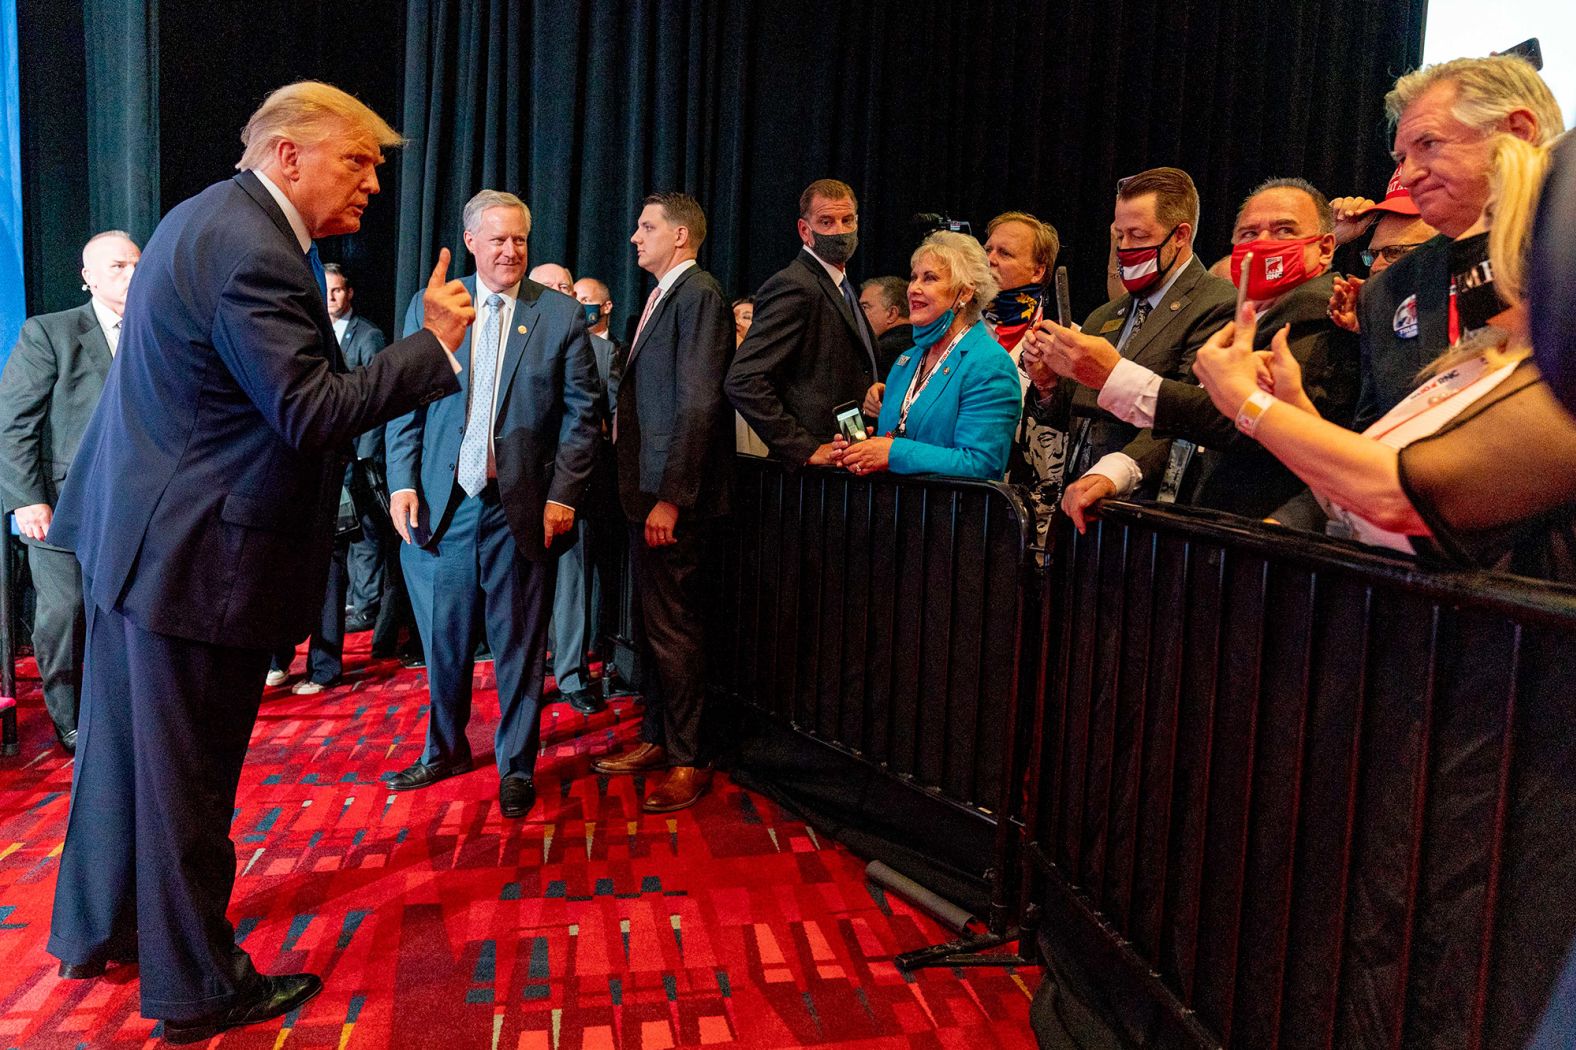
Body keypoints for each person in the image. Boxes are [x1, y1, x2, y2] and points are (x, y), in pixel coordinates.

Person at [45, 81, 472, 1042]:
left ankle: (99, 929)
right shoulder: (253, 248)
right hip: (196, 562)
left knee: (123, 764)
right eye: (356, 160)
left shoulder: (203, 218)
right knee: (187, 785)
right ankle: (198, 989)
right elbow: (310, 412)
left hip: (143, 543)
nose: (372, 182)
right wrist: (432, 347)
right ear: (288, 154)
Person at [1193, 136, 1576, 580]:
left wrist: (1249, 405)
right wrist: (1289, 402)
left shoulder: (1561, 390)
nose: (1463, 244)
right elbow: (1360, 474)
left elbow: (1397, 497)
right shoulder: (1481, 361)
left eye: (1490, 218)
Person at [385, 190, 601, 820]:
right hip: (443, 506)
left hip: (522, 511)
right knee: (442, 641)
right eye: (499, 240)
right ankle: (445, 749)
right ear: (471, 241)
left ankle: (516, 765)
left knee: (518, 645)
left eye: (521, 240)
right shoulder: (435, 305)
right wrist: (402, 482)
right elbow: (407, 400)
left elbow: (583, 418)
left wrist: (564, 493)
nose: (511, 252)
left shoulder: (560, 315)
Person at [1027, 178, 1359, 525]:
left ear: (1324, 248)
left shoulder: (1321, 308)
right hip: (1186, 524)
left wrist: (1114, 375)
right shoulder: (1249, 317)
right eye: (1247, 234)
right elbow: (1189, 415)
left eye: (1283, 230)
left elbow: (1234, 420)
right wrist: (1113, 469)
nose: (1262, 244)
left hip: (1268, 535)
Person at [590, 192, 734, 813]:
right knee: (652, 630)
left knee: (676, 630)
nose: (634, 236)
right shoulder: (662, 295)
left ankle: (689, 757)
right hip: (641, 493)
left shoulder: (698, 294)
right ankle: (657, 737)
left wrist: (671, 500)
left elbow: (699, 404)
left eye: (646, 226)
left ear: (681, 237)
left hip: (672, 501)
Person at [1352, 54, 1562, 428]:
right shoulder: (1383, 294)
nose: (1409, 174)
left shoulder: (1566, 255)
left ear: (1517, 132)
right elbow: (1371, 439)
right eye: (1402, 157)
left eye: (1428, 143)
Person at [1024, 167, 1235, 519]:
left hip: (1148, 514)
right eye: (1119, 235)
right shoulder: (1105, 315)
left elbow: (1189, 419)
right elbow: (1075, 416)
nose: (1124, 248)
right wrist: (1047, 385)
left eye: (1137, 235)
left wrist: (1113, 474)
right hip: (1080, 504)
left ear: (1180, 235)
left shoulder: (1218, 304)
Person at [0, 230, 138, 754]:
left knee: (127, 611)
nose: (131, 275)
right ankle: (70, 717)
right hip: (61, 506)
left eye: (137, 265)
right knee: (67, 612)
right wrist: (26, 498)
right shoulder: (50, 333)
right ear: (89, 277)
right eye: (118, 266)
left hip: (136, 504)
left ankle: (124, 712)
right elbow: (13, 423)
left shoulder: (159, 330)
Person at [836, 231, 1020, 481]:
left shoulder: (990, 364)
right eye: (914, 278)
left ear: (965, 293)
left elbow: (982, 463)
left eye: (929, 278)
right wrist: (864, 450)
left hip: (952, 515)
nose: (913, 289)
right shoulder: (906, 361)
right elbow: (897, 438)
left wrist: (892, 453)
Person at [725, 178, 879, 467]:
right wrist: (804, 448)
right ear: (804, 230)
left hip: (845, 458)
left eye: (847, 220)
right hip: (811, 478)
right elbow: (743, 379)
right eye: (826, 222)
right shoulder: (795, 285)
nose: (840, 231)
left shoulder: (841, 286)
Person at [552, 273, 622, 714]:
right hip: (518, 484)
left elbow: (612, 419)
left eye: (569, 291)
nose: (568, 299)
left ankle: (572, 673)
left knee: (574, 577)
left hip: (576, 484)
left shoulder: (601, 351)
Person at [981, 211, 1068, 539]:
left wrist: (1047, 386)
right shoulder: (957, 331)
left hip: (1027, 514)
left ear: (1038, 270)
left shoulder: (1065, 338)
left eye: (1004, 253)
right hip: (965, 497)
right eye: (987, 250)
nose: (989, 260)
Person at [328, 263, 391, 632]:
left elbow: (376, 399)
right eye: (326, 290)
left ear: (349, 293)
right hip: (330, 450)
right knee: (340, 530)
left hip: (360, 452)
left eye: (337, 290)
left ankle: (366, 604)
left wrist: (367, 455)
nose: (330, 297)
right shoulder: (314, 328)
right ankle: (350, 599)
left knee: (364, 530)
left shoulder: (367, 335)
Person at [1325, 174, 1437, 332]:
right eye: (1373, 254)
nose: (1375, 266)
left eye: (1395, 252)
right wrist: (1330, 239)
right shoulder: (1362, 318)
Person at [859, 276, 912, 375]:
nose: (858, 315)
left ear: (891, 313)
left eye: (865, 307)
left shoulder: (879, 354)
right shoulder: (926, 345)